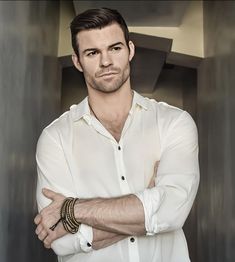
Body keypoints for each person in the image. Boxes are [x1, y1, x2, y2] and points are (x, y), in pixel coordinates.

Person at [34, 7, 199, 262]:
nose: (106, 61)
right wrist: (149, 205)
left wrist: (73, 209)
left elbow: (173, 212)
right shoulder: (55, 138)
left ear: (130, 50)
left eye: (115, 48)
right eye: (92, 52)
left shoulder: (174, 123)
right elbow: (61, 240)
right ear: (77, 61)